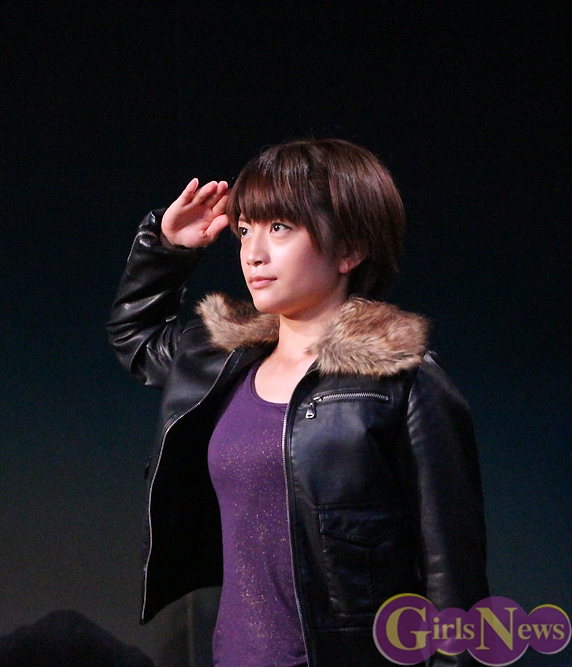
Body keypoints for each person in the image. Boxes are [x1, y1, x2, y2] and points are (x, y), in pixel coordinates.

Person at [107, 139, 488, 666]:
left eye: (280, 227)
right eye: (245, 230)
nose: (253, 253)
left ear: (349, 248)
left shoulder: (403, 384)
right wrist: (166, 248)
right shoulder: (219, 361)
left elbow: (454, 580)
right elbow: (136, 336)